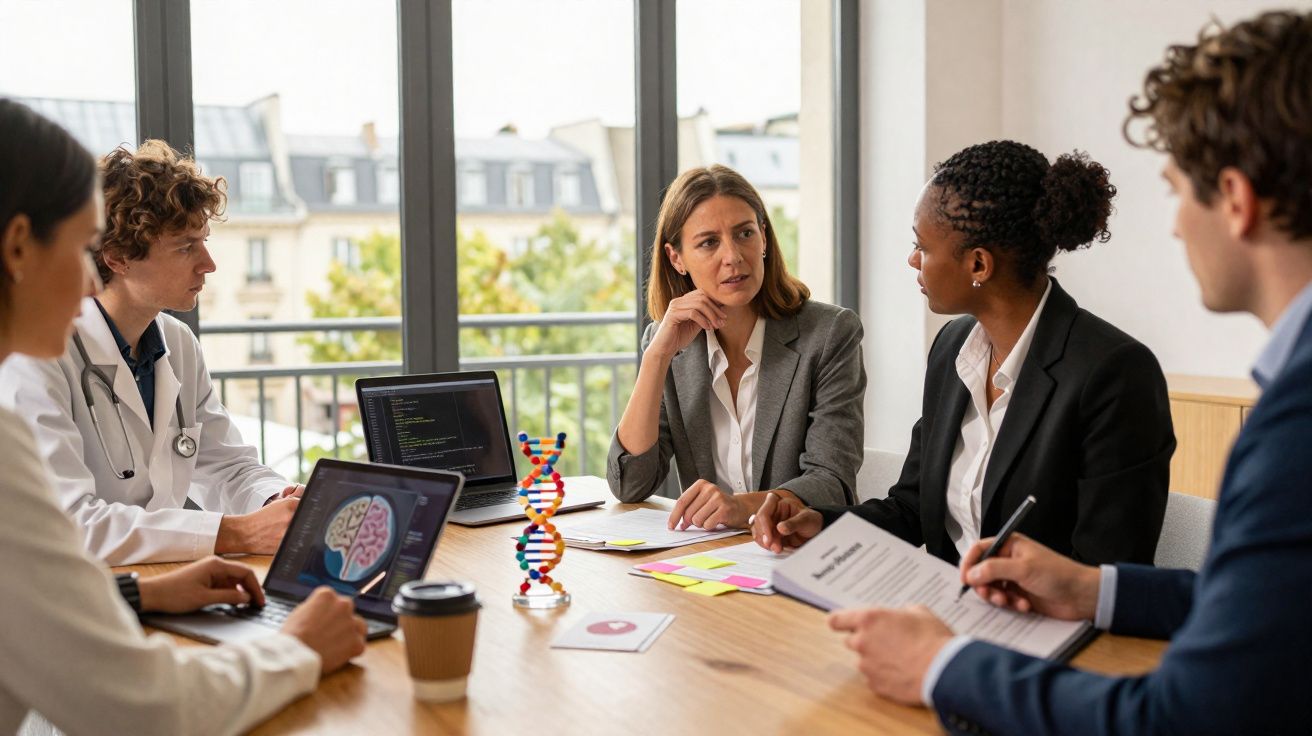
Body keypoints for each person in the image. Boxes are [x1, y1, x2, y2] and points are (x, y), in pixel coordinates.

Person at [825, 10, 1312, 735]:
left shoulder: (1288, 425)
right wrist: (1093, 589)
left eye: (1178, 190)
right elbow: (1260, 605)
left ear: (1236, 201)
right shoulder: (1290, 400)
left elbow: (1187, 715)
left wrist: (941, 668)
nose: (1175, 223)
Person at [0, 97, 366, 736]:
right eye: (82, 246)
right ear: (19, 247)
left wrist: (270, 505)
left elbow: (224, 462)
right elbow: (138, 705)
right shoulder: (27, 379)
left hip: (137, 599)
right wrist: (298, 644)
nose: (88, 283)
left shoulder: (177, 344)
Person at [753, 140, 1174, 566]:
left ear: (978, 265)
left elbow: (1107, 570)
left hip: (1042, 626)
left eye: (923, 246)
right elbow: (912, 508)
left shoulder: (1115, 374)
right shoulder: (953, 348)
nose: (913, 259)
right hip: (945, 609)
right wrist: (820, 524)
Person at [0, 138, 303, 565]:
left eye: (205, 241)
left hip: (164, 578)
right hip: (91, 588)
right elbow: (71, 524)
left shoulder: (177, 343)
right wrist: (235, 532)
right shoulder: (40, 354)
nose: (209, 264)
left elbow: (225, 465)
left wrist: (277, 500)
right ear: (119, 257)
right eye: (186, 246)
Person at [607, 164, 866, 530]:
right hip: (713, 560)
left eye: (744, 233)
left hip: (796, 556)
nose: (733, 256)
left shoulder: (828, 334)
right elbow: (630, 484)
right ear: (676, 258)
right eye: (709, 242)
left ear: (763, 238)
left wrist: (739, 507)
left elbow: (831, 483)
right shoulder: (669, 345)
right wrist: (656, 357)